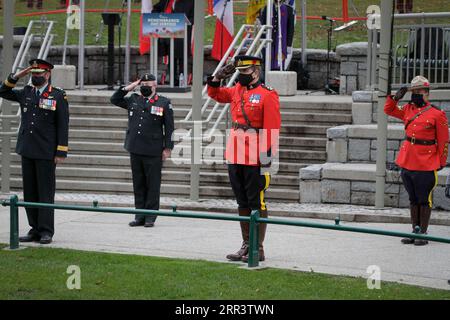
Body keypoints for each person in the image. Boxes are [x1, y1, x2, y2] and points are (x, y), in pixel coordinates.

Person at [207, 55, 281, 262]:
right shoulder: (237, 90)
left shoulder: (268, 95)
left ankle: (258, 247)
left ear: (256, 72)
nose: (241, 75)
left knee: (257, 202)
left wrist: (266, 158)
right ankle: (246, 244)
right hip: (235, 153)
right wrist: (216, 77)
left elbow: (272, 127)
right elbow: (215, 93)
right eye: (239, 71)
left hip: (256, 156)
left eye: (245, 72)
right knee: (241, 201)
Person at [0, 59, 69, 244]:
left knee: (45, 192)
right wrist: (17, 76)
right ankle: (34, 228)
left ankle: (46, 230)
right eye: (33, 74)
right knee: (30, 192)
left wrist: (61, 151)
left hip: (46, 151)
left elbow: (63, 125)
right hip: (27, 149)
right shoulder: (26, 92)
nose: (35, 77)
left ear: (47, 74)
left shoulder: (57, 95)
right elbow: (3, 91)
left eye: (38, 74)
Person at [385, 75, 449, 245]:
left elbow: (444, 141)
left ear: (427, 93)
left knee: (423, 198)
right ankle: (415, 230)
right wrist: (395, 97)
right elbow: (389, 110)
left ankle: (423, 233)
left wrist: (441, 162)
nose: (416, 94)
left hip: (426, 161)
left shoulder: (437, 114)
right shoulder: (408, 109)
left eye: (419, 91)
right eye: (414, 91)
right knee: (413, 198)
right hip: (407, 160)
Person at [110, 74, 174, 227]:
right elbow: (114, 99)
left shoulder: (163, 102)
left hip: (153, 150)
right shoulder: (134, 99)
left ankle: (151, 216)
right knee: (138, 184)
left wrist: (168, 147)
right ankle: (139, 215)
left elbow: (170, 127)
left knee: (152, 184)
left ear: (155, 86)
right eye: (142, 84)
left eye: (148, 84)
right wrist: (128, 87)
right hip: (135, 148)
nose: (145, 86)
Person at [152, 0, 194, 85]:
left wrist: (183, 22)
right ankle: (173, 81)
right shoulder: (167, 1)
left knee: (182, 58)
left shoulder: (191, 2)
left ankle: (182, 81)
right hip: (169, 35)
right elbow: (155, 9)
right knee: (172, 58)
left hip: (183, 35)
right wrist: (162, 18)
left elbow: (194, 17)